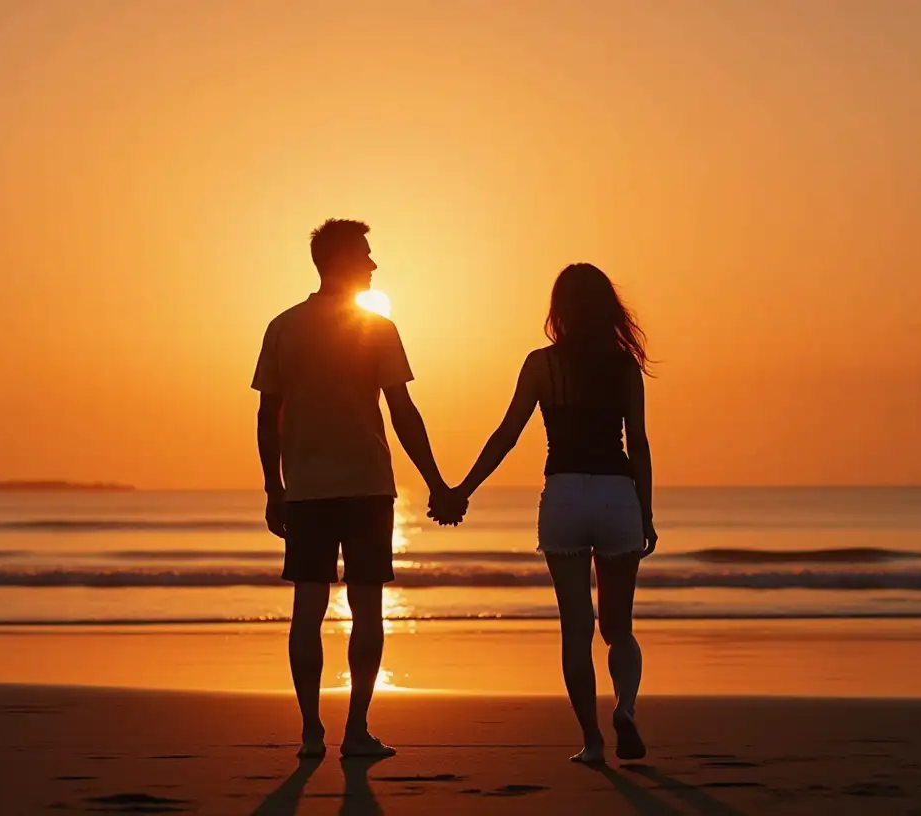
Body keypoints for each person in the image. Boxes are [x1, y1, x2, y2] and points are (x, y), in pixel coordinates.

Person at [253, 218, 465, 759]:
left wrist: (274, 488)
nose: (373, 265)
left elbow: (266, 416)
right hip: (367, 487)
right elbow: (403, 413)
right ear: (341, 262)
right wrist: (437, 483)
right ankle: (355, 731)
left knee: (308, 608)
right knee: (366, 608)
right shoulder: (376, 328)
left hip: (306, 490)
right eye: (365, 256)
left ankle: (309, 734)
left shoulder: (283, 326)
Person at [436, 262, 655, 764]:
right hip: (617, 493)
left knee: (576, 628)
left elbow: (507, 434)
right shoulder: (623, 366)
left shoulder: (541, 365)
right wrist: (646, 512)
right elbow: (638, 444)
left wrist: (462, 490)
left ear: (559, 309)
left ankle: (593, 742)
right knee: (617, 627)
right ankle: (625, 709)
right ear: (607, 308)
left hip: (563, 497)